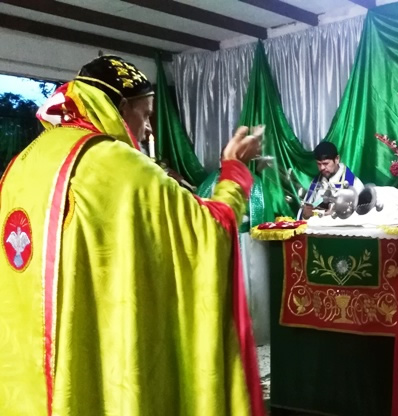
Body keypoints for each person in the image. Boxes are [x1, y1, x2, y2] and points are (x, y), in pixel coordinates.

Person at [0, 55, 265, 415]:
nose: (149, 130)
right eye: (146, 115)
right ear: (122, 108)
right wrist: (235, 170)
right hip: (96, 354)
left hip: (26, 370)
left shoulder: (22, 162)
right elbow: (208, 231)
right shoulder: (120, 165)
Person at [299, 141, 363, 220]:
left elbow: (359, 217)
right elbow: (306, 211)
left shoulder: (354, 184)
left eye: (326, 163)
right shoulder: (316, 183)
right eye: (319, 164)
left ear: (337, 159)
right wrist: (305, 214)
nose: (322, 168)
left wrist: (324, 213)